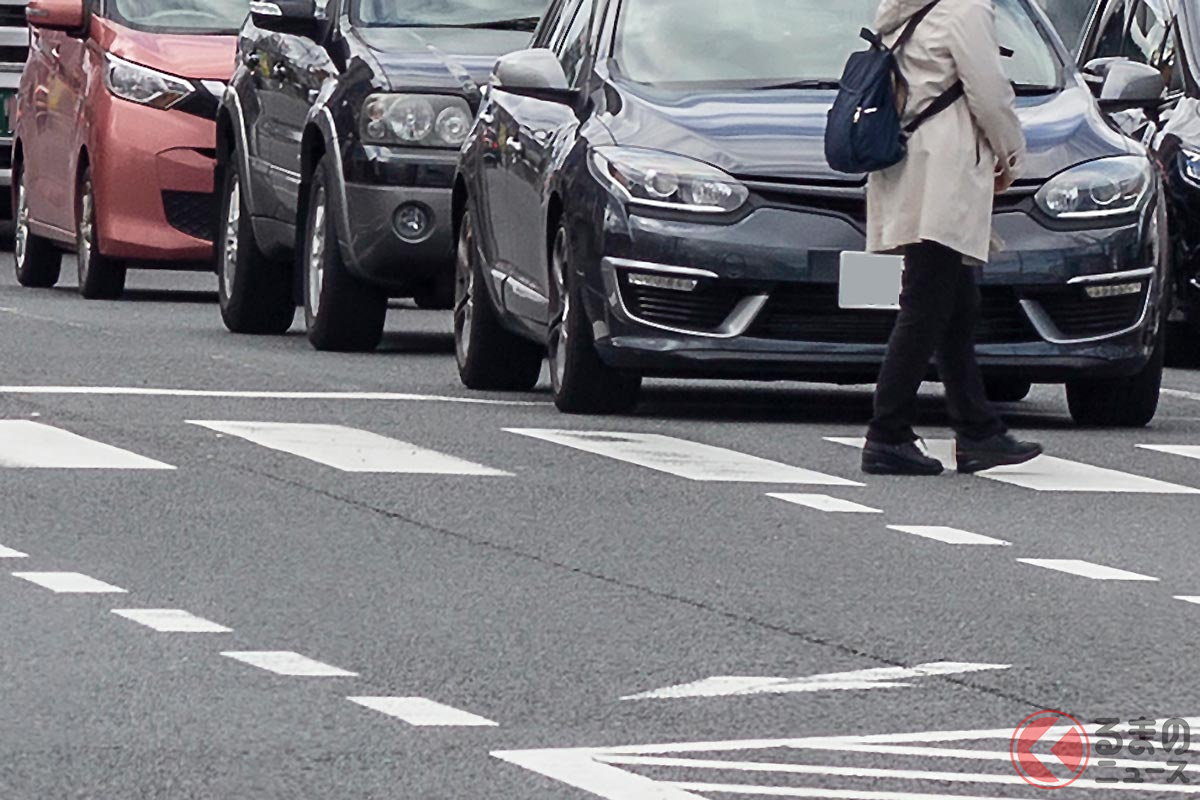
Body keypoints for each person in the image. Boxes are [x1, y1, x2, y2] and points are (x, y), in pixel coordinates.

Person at [862, 0, 1044, 476]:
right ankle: (887, 433)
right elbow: (989, 92)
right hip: (945, 168)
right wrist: (1011, 154)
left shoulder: (902, 7)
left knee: (956, 306)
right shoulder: (965, 9)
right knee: (926, 306)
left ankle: (977, 429)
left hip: (911, 163)